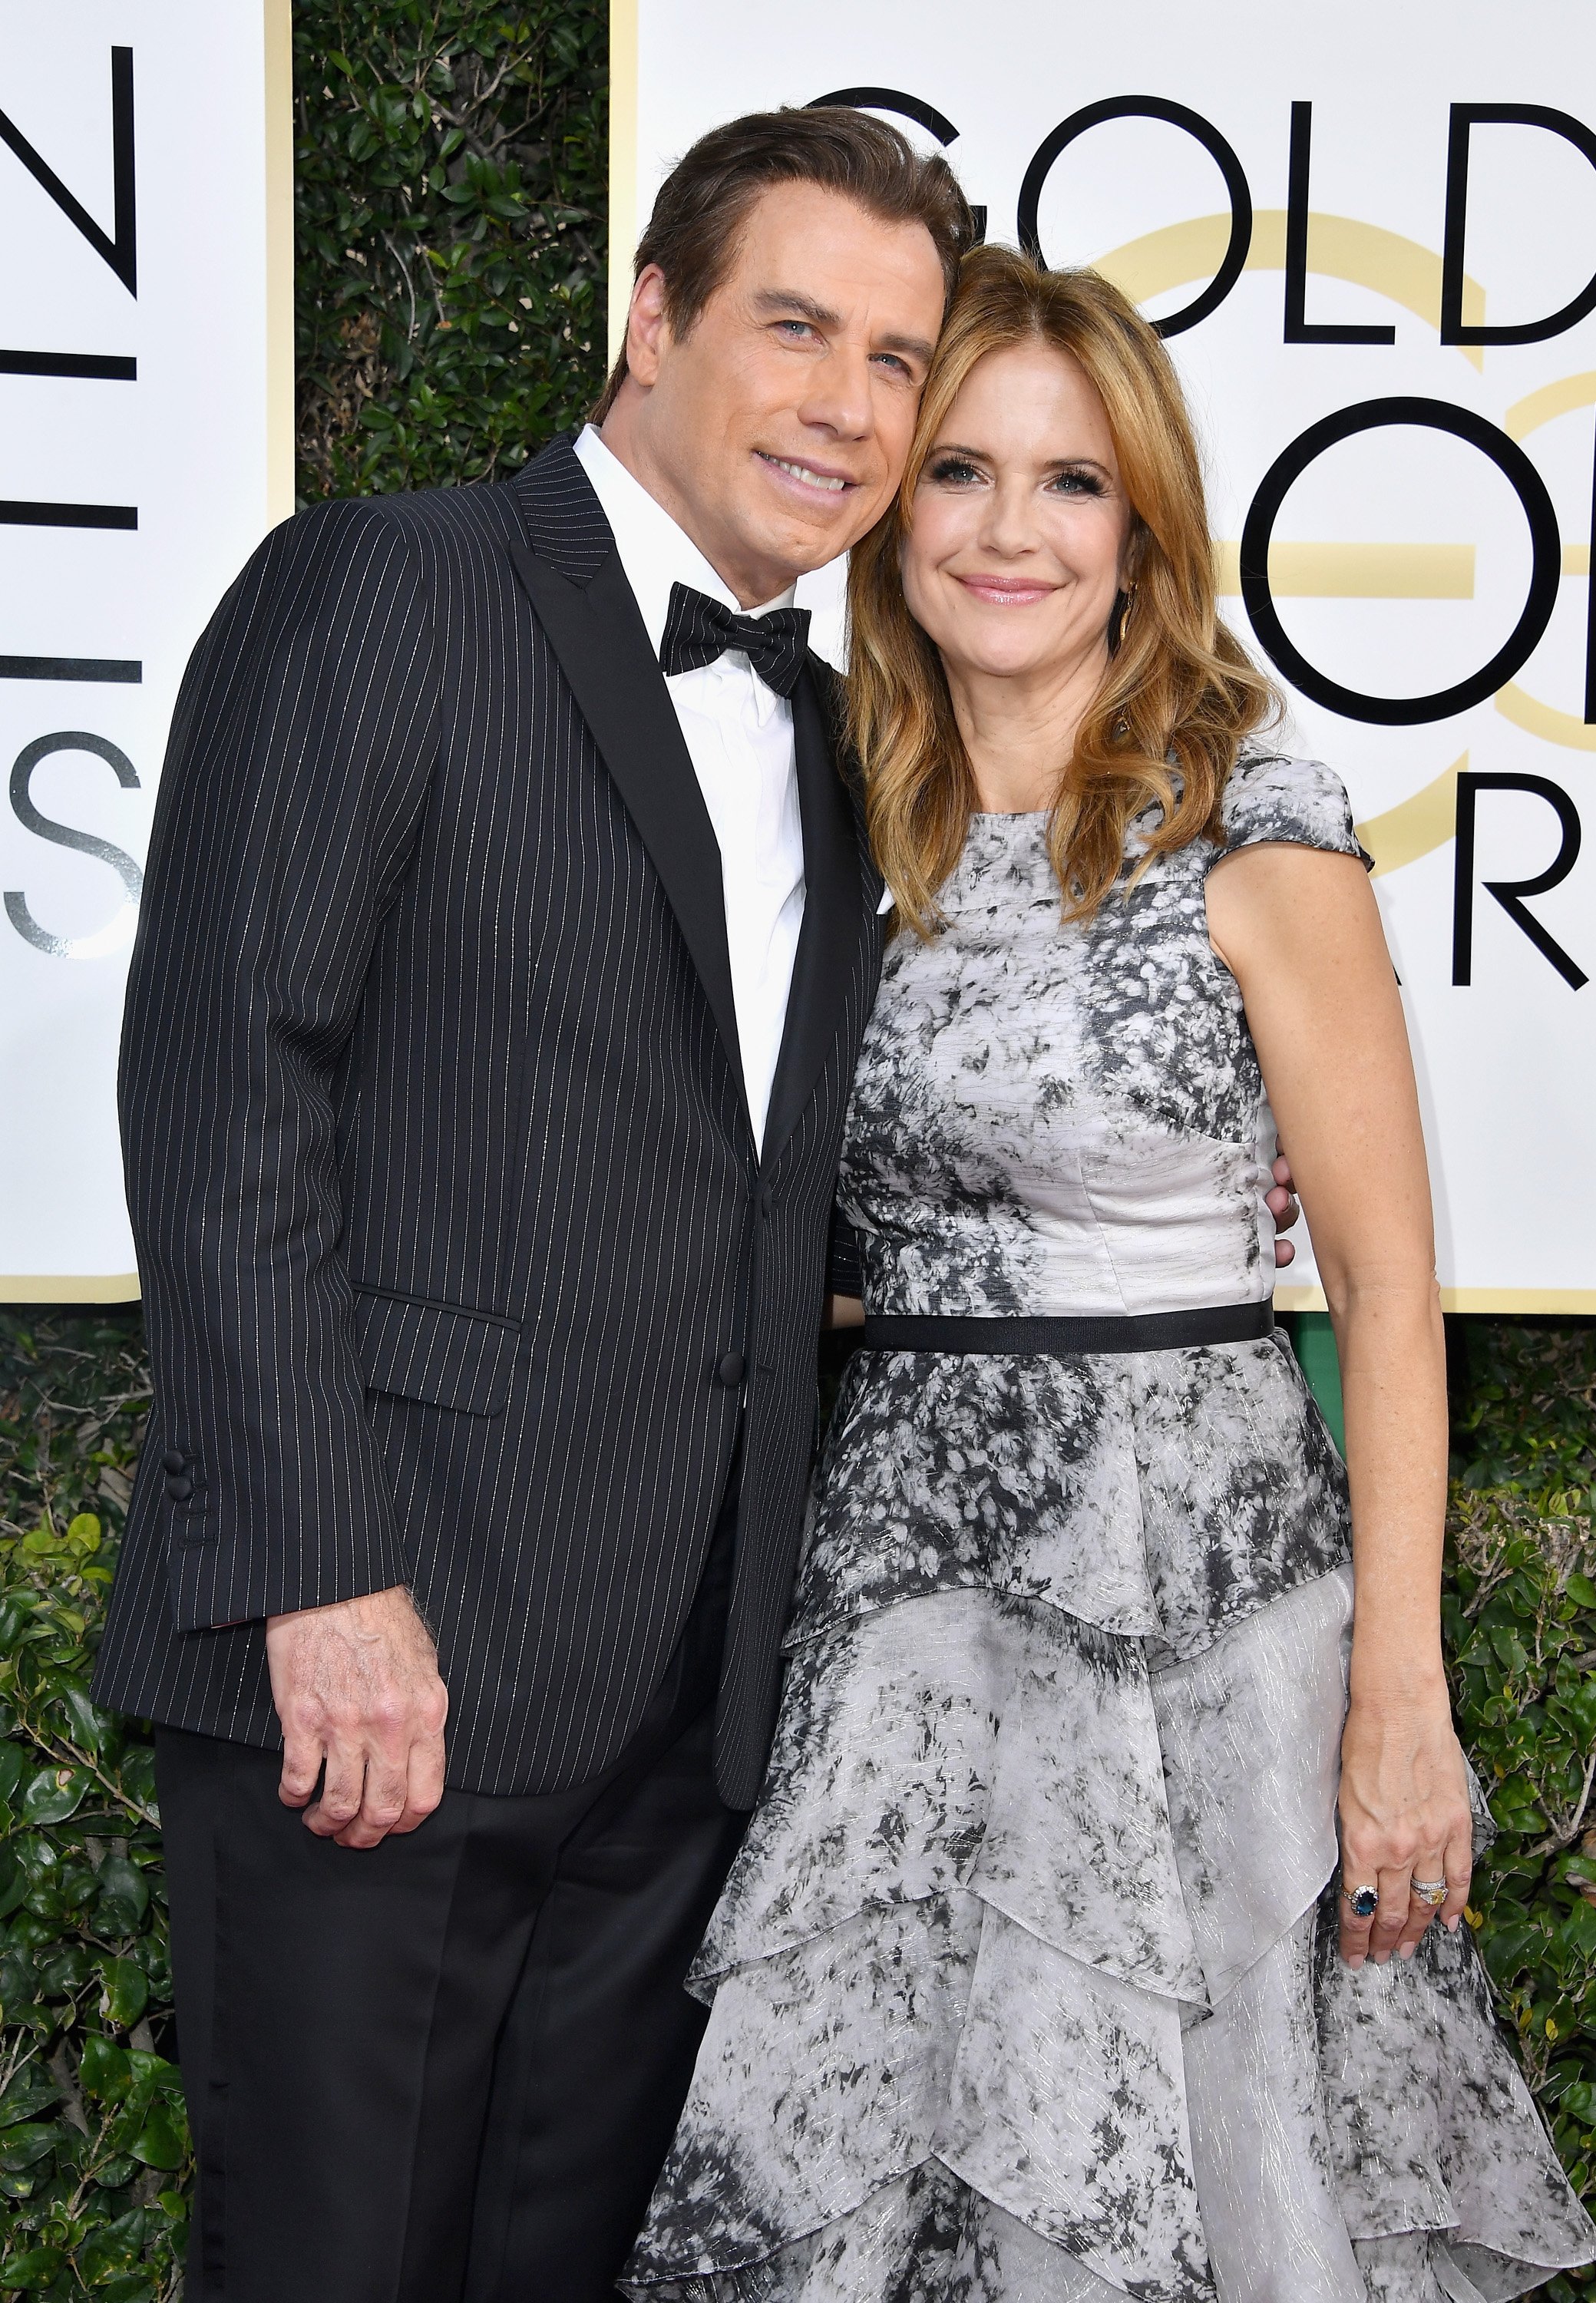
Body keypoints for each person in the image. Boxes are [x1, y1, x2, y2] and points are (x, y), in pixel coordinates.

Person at [623, 246, 1596, 2301]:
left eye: (1069, 485)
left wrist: (1400, 1705)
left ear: (1139, 530)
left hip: (1197, 1603)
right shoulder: (835, 823)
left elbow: (1387, 1288)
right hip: (898, 1596)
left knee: (1198, 2169)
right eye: (959, 471)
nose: (1005, 531)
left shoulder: (1251, 826)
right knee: (876, 2170)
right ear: (893, 514)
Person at [89, 107, 968, 2303]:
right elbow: (225, 1093)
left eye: (895, 359)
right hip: (379, 1676)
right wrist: (322, 1579)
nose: (848, 406)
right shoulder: (383, 585)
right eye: (794, 326)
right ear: (651, 320)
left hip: (685, 1717)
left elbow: (768, 1174)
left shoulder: (852, 725)